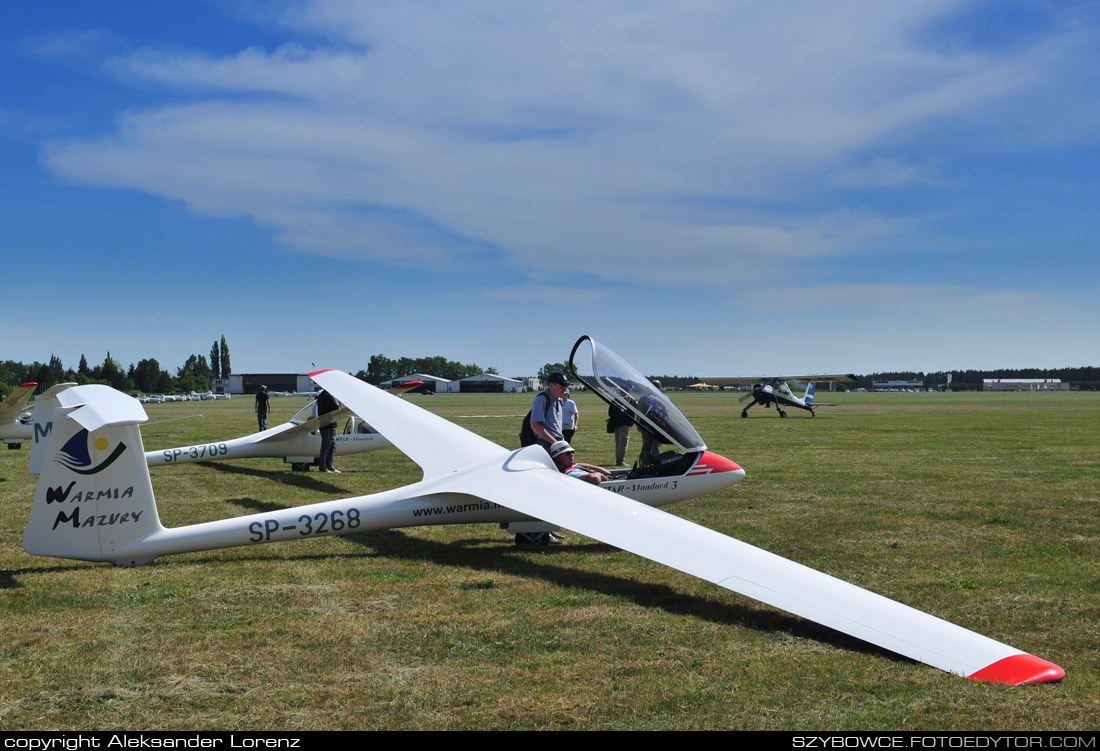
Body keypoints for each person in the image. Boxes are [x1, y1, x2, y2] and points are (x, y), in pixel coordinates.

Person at [530, 371, 570, 452]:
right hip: (546, 444)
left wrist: (562, 442)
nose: (565, 390)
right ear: (551, 385)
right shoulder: (541, 399)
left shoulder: (559, 400)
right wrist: (555, 443)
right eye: (562, 386)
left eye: (566, 386)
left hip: (557, 442)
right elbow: (535, 425)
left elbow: (556, 426)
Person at [638, 379, 666, 459]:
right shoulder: (664, 398)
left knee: (646, 445)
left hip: (646, 425)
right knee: (657, 446)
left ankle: (644, 462)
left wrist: (638, 424)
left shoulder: (643, 398)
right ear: (660, 387)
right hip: (659, 425)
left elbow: (639, 412)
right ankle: (657, 463)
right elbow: (667, 413)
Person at [316, 389, 340, 473]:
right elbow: (336, 407)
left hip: (326, 424)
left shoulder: (321, 396)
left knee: (331, 444)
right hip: (328, 424)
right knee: (328, 445)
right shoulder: (328, 396)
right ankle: (324, 467)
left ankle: (329, 466)